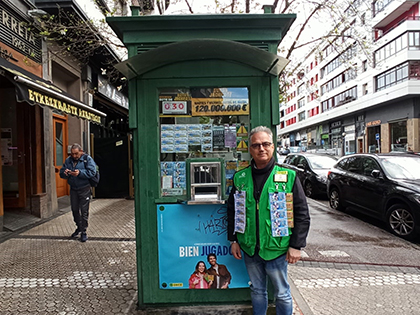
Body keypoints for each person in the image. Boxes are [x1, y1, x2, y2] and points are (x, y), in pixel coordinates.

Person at [227, 126, 310, 315]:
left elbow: (302, 213)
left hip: (277, 249)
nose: (261, 149)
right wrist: (233, 240)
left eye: (265, 144)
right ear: (250, 149)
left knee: (282, 293)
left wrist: (296, 245)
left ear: (273, 147)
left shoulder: (288, 176)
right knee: (257, 291)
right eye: (256, 145)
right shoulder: (240, 178)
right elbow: (232, 210)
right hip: (250, 247)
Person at [59, 143, 97, 242]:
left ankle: (84, 231)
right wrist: (65, 173)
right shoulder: (68, 160)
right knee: (75, 210)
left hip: (84, 188)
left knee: (84, 211)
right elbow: (61, 173)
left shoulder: (87, 159)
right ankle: (79, 227)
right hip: (74, 189)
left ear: (81, 151)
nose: (74, 156)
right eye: (72, 154)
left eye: (76, 154)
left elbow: (92, 172)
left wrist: (79, 173)